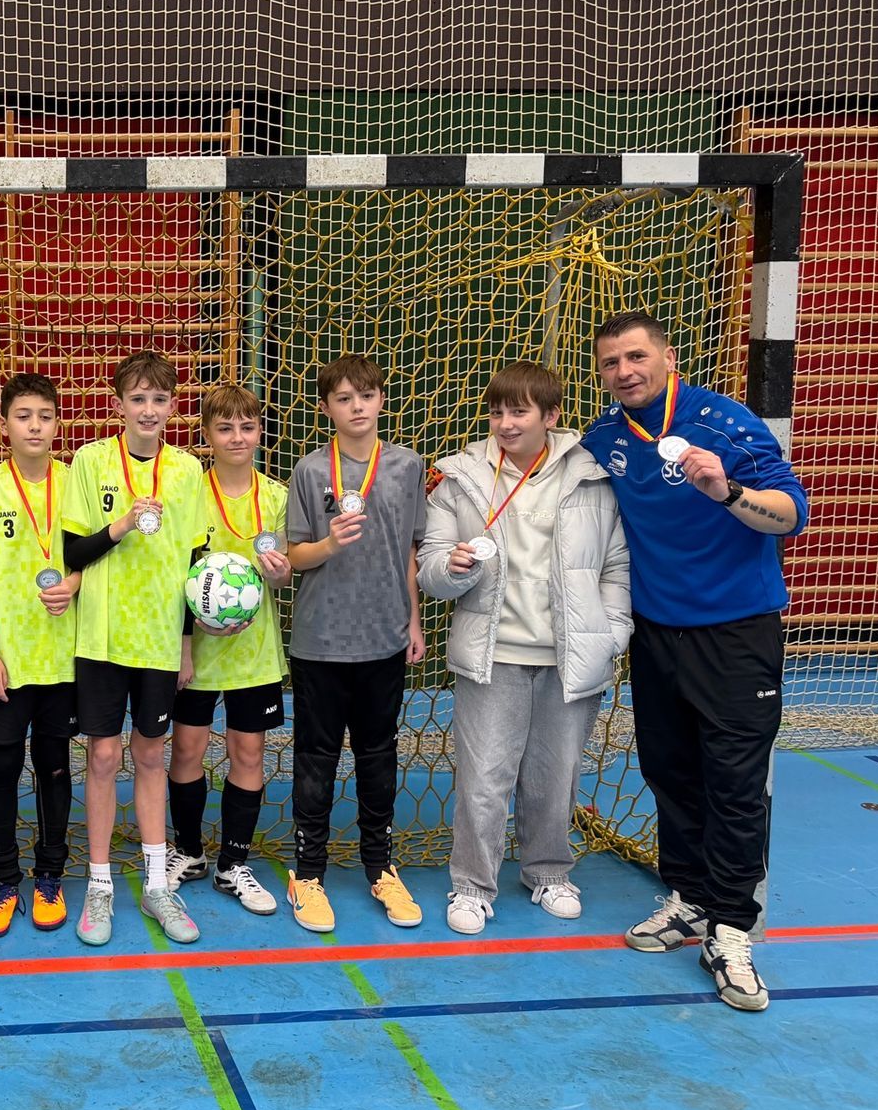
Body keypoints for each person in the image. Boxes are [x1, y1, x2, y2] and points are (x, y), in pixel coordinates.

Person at [582, 311, 807, 1013]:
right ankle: (691, 898)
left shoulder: (726, 423)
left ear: (668, 356)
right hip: (657, 635)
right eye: (611, 362)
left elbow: (791, 513)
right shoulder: (606, 437)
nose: (625, 371)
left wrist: (728, 492)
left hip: (736, 634)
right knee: (670, 772)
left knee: (734, 784)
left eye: (636, 356)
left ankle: (732, 929)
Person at [417, 361, 631, 936]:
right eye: (496, 412)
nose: (506, 423)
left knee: (555, 777)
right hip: (492, 656)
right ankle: (471, 885)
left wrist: (611, 632)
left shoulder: (593, 475)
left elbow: (616, 566)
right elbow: (430, 568)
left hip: (570, 657)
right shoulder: (459, 476)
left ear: (551, 415)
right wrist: (452, 568)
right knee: (484, 778)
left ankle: (549, 873)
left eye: (519, 411)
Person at [60, 351, 206, 947]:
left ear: (173, 406)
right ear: (118, 403)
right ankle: (99, 885)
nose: (149, 410)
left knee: (150, 755)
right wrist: (120, 525)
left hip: (158, 639)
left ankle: (156, 884)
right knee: (102, 757)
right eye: (138, 398)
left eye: (159, 399)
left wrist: (186, 642)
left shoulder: (188, 470)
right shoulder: (91, 461)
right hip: (101, 637)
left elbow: (195, 561)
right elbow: (72, 553)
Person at [283, 355, 427, 934]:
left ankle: (380, 866)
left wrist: (414, 621)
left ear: (381, 399)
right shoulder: (309, 470)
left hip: (383, 636)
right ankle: (308, 873)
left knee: (377, 754)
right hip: (319, 640)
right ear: (326, 409)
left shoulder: (407, 466)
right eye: (343, 398)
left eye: (365, 395)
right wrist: (330, 544)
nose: (357, 406)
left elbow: (411, 551)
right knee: (315, 758)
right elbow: (294, 556)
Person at [166, 384, 292, 916]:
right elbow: (174, 572)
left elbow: (284, 577)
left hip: (254, 653)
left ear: (259, 432)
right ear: (206, 435)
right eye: (224, 428)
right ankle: (188, 851)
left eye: (246, 426)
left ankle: (233, 864)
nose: (237, 437)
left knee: (248, 754)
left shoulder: (276, 496)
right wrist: (184, 645)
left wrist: (281, 574)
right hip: (196, 653)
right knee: (186, 751)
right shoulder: (188, 493)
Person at [0, 373, 80, 936]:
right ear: (4, 424)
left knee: (54, 766)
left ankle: (50, 875)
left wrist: (75, 582)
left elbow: (97, 553)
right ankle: (4, 879)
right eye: (23, 415)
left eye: (45, 416)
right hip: (6, 661)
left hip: (65, 658)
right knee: (3, 767)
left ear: (59, 423)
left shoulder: (78, 481)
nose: (35, 426)